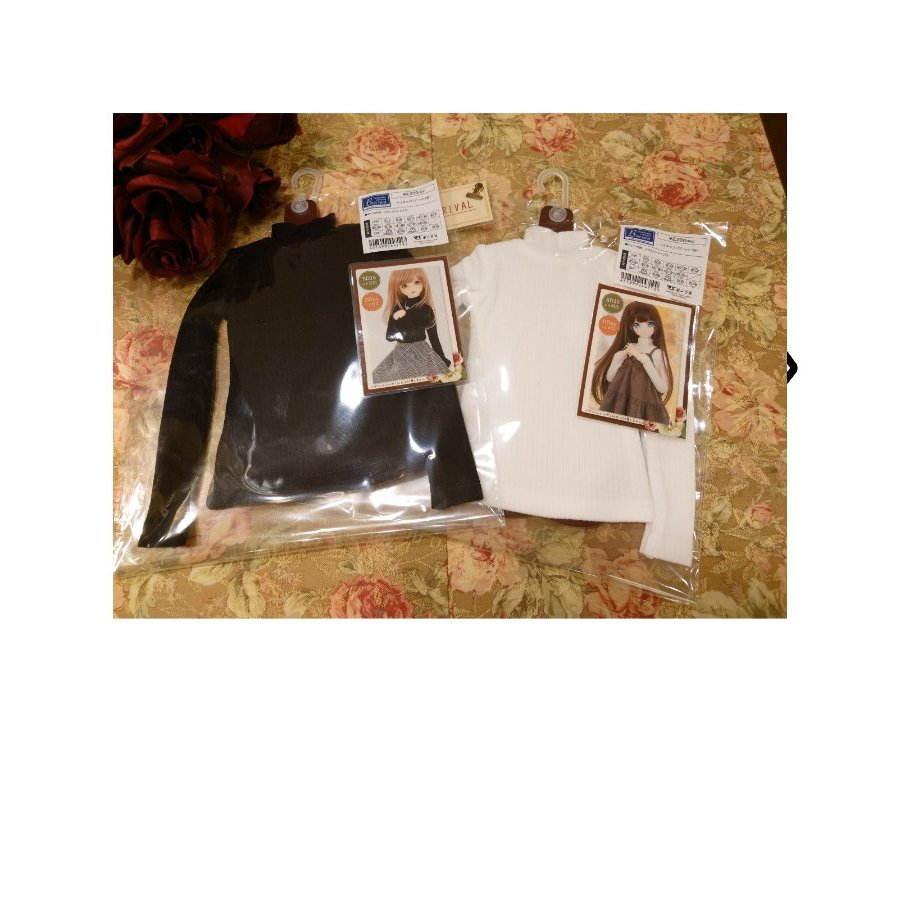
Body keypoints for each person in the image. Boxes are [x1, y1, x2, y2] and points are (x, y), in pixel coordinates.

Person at [591, 300, 673, 426]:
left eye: (650, 324)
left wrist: (643, 359)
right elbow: (610, 378)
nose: (644, 329)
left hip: (644, 410)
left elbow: (662, 388)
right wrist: (618, 357)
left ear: (656, 325)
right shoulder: (628, 348)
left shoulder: (656, 353)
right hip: (620, 405)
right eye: (637, 325)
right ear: (630, 327)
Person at [372, 267, 451, 384]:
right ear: (398, 288)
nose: (412, 288)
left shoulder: (426, 310)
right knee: (382, 377)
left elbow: (434, 338)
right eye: (404, 285)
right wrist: (394, 319)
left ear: (424, 283)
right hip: (401, 354)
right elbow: (389, 337)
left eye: (417, 282)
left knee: (427, 379)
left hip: (422, 353)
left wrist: (442, 359)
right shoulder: (398, 307)